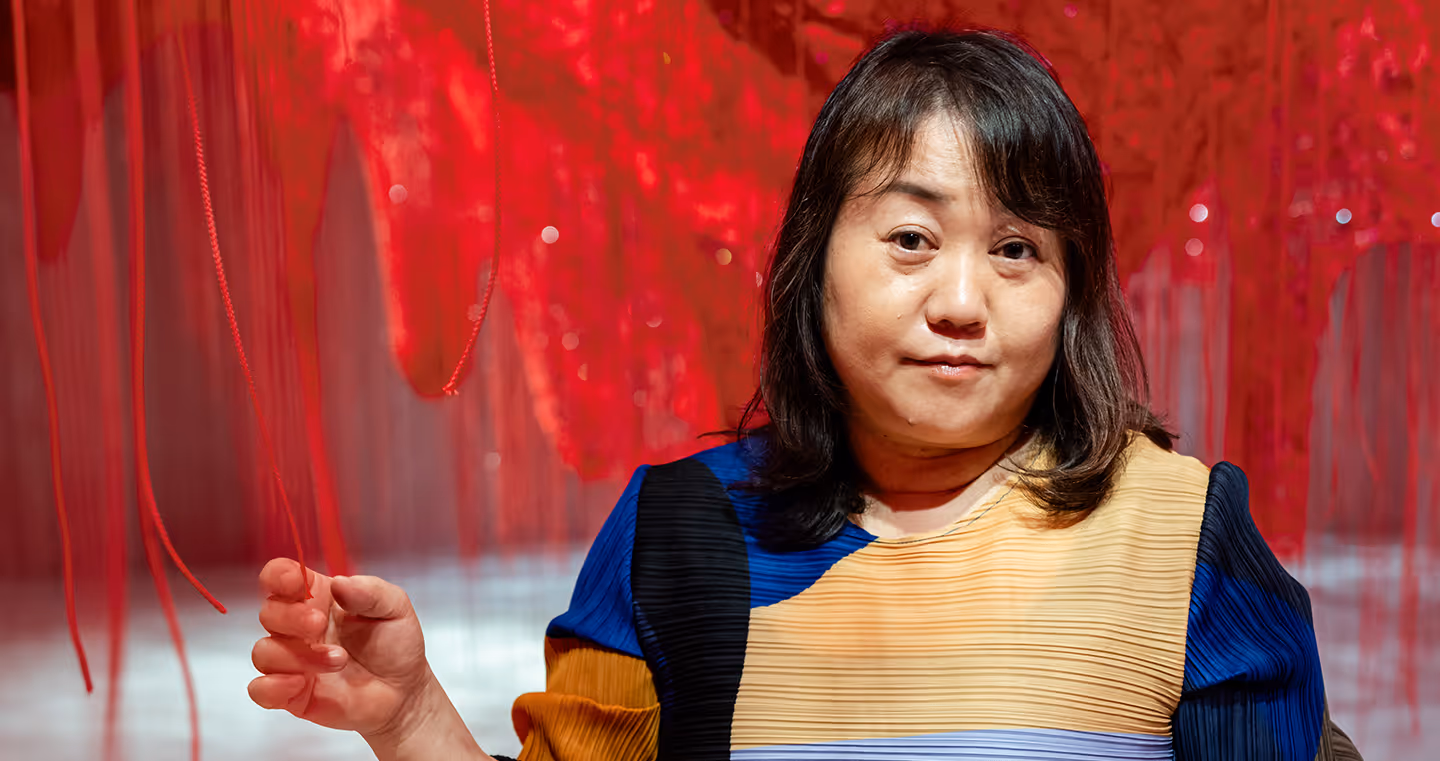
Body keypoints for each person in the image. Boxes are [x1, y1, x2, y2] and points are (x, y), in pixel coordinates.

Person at [247, 27, 1363, 761]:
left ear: (1072, 290)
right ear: (811, 264)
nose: (963, 300)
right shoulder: (679, 531)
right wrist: (405, 714)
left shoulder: (1185, 532)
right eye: (912, 239)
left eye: (1019, 248)